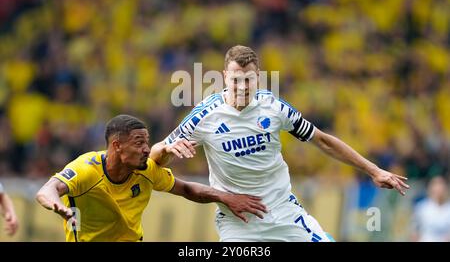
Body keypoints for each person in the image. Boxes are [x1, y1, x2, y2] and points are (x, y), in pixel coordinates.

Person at [151, 45, 410, 242]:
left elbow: (323, 141)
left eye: (248, 79)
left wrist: (374, 170)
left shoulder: (274, 108)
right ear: (224, 78)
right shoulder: (204, 116)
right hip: (238, 223)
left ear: (258, 77)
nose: (242, 87)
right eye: (235, 80)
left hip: (284, 212)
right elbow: (155, 158)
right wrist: (166, 150)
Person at [36, 114, 267, 242]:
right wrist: (56, 204)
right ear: (117, 146)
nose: (146, 149)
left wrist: (227, 197)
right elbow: (47, 190)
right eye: (139, 143)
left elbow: (186, 189)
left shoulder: (145, 170)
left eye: (147, 142)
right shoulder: (87, 170)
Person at [411, 176, 450, 242]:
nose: (439, 189)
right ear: (430, 188)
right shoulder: (422, 207)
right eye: (436, 185)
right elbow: (415, 230)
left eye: (441, 185)